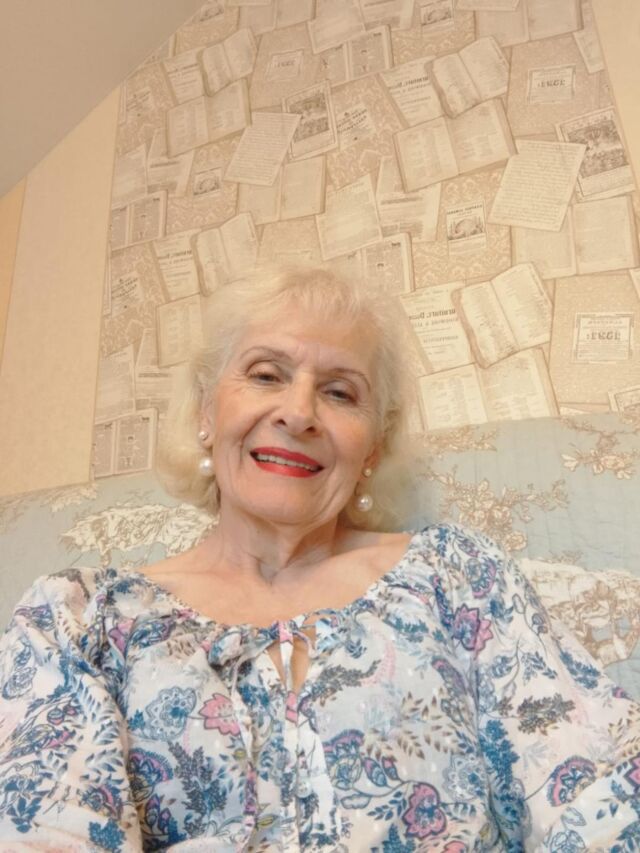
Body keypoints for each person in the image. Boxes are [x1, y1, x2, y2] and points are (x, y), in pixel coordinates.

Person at [1, 266, 640, 852]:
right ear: (205, 411)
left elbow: (594, 791)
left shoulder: (458, 578)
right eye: (265, 375)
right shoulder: (81, 621)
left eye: (339, 393)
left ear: (373, 448)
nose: (299, 413)